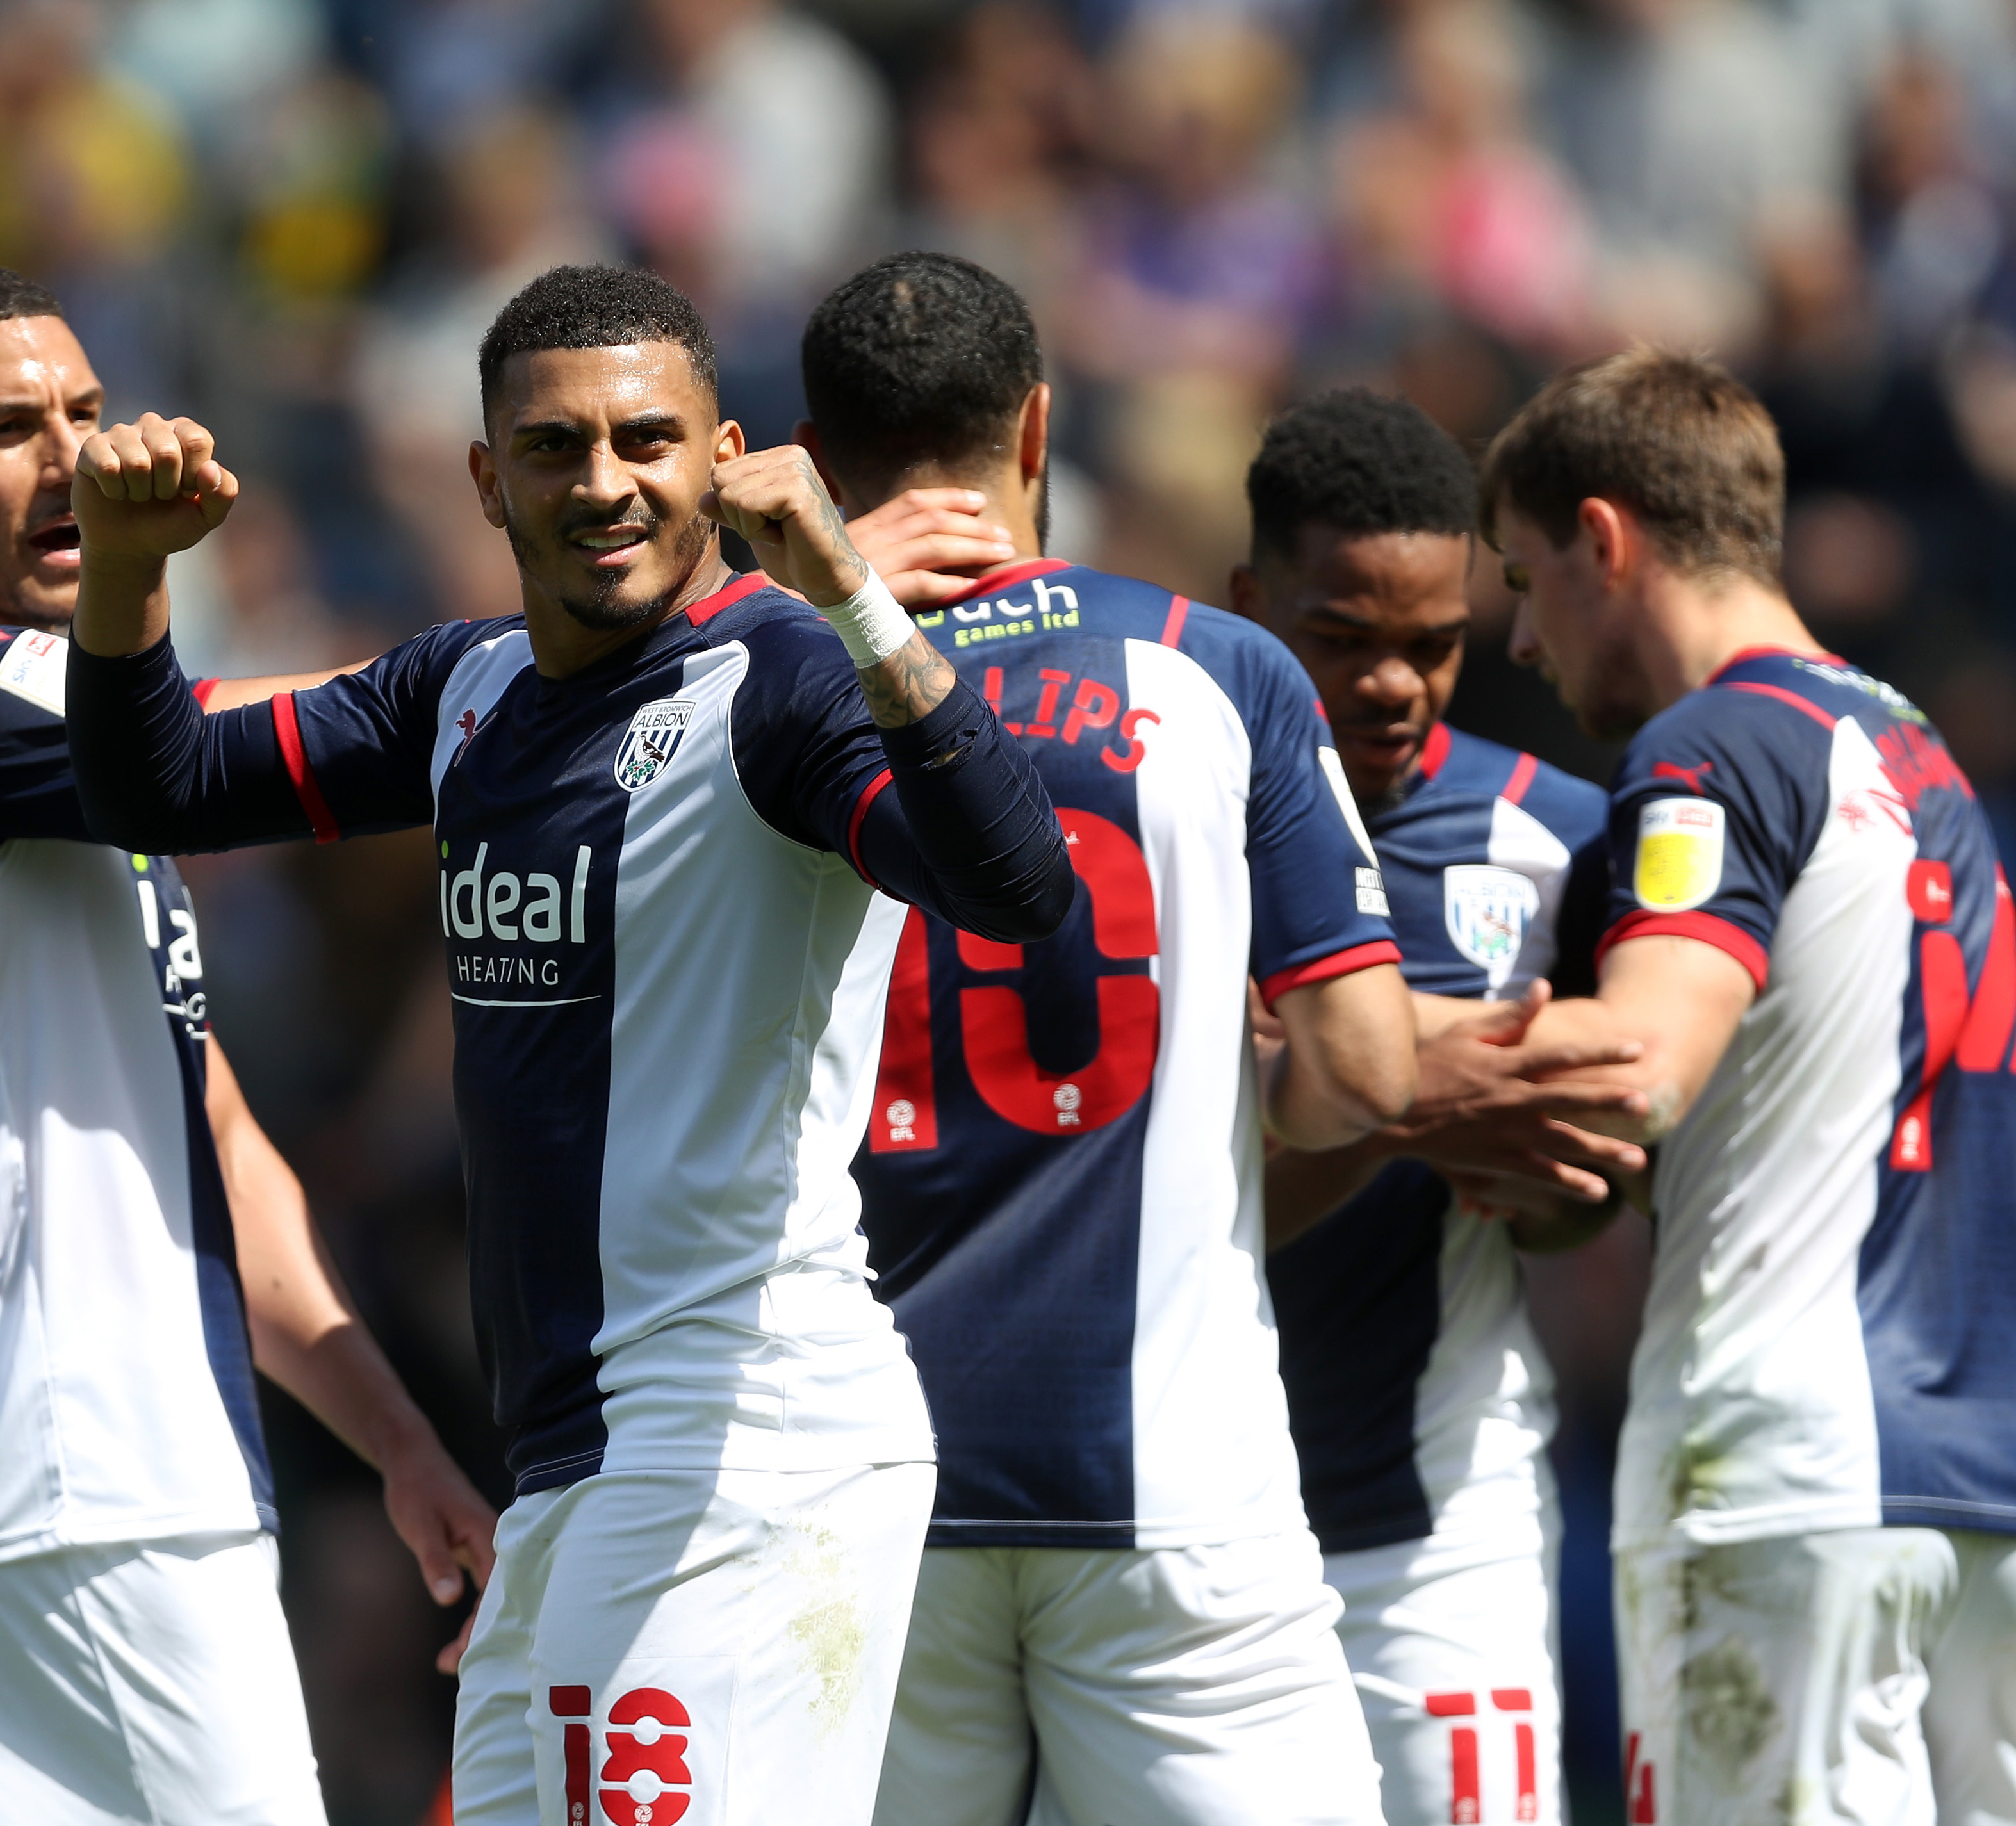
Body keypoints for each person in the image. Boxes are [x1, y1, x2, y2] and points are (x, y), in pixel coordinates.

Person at [56, 263, 1078, 1826]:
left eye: (645, 441)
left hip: (740, 1451)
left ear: (723, 456)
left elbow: (1017, 890)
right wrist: (126, 569)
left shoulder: (781, 681)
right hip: (568, 1472)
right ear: (485, 476)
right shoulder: (461, 688)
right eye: (552, 447)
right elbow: (163, 786)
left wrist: (855, 600)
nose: (603, 482)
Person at [806, 250, 1575, 1826]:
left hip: (865, 1476)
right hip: (1164, 1478)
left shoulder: (751, 686)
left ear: (813, 467)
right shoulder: (1220, 671)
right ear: (1035, 430)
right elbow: (1359, 1074)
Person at [0, 261, 495, 1825]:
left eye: (86, 411)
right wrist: (575, 672)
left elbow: (217, 1145)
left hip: (62, 1486)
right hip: (82, 1471)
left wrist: (392, 1436)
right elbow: (294, 748)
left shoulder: (56, 755)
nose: (72, 459)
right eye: (4, 429)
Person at [1477, 348, 2016, 1826]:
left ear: (1603, 537)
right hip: (1972, 1480)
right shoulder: (1914, 751)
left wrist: (1359, 1060)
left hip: (1781, 1470)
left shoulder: (1714, 748)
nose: (1517, 639)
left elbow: (1641, 1065)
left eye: (1522, 579)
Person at [1227, 389, 1645, 1826]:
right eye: (1342, 639)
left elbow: (1595, 1177)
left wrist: (1553, 1172)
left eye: (1433, 644)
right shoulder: (1149, 815)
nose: (1393, 684)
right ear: (1248, 604)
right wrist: (1416, 1097)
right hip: (1184, 1533)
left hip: (1438, 1527)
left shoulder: (1563, 839)